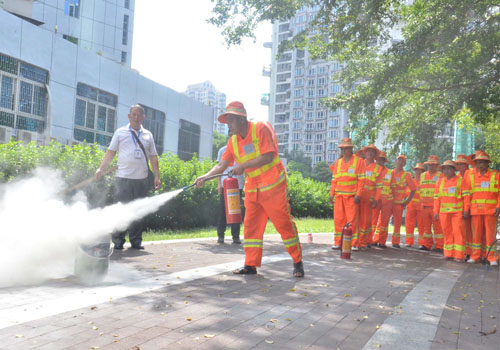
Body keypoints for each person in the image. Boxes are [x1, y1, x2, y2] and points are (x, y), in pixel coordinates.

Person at [194, 101, 304, 277]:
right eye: (227, 122)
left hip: (273, 185)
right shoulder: (233, 142)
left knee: (283, 224)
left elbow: (268, 156)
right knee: (251, 228)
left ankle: (297, 262)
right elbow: (222, 165)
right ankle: (250, 264)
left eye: (230, 121)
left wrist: (243, 166)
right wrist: (205, 177)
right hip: (253, 188)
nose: (228, 126)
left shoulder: (260, 129)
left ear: (241, 119)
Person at [95, 104, 161, 250]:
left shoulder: (148, 135)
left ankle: (136, 241)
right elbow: (111, 152)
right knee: (120, 210)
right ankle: (118, 241)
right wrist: (101, 168)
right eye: (134, 115)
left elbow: (153, 157)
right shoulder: (120, 132)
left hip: (141, 180)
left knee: (138, 212)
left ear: (143, 117)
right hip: (123, 179)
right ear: (129, 116)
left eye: (139, 115)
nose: (136, 118)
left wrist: (157, 176)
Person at [463, 152, 500, 265]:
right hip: (476, 210)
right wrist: (466, 209)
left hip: (491, 211)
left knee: (490, 235)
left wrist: (499, 206)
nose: (480, 164)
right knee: (476, 235)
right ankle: (475, 256)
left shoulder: (495, 175)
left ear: (487, 163)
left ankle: (492, 258)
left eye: (482, 162)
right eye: (478, 162)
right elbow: (467, 195)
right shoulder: (471, 177)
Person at [329, 138, 366, 250]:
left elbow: (361, 180)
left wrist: (358, 195)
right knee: (338, 220)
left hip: (351, 197)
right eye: (342, 149)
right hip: (339, 197)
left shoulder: (359, 161)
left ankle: (354, 243)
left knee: (352, 220)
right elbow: (334, 180)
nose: (344, 151)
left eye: (346, 149)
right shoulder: (338, 163)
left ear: (351, 149)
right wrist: (332, 194)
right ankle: (337, 242)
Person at [433, 160, 469, 262]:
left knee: (458, 233)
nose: (446, 170)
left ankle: (459, 256)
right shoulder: (440, 181)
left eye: (449, 168)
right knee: (447, 233)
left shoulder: (460, 180)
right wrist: (436, 212)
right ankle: (448, 253)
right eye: (445, 168)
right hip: (444, 212)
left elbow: (466, 196)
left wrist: (466, 210)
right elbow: (436, 198)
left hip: (457, 212)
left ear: (454, 170)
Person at [216, 140, 244, 244]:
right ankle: (220, 235)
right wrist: (219, 184)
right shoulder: (222, 150)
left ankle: (235, 236)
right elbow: (219, 168)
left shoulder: (242, 149)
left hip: (238, 185)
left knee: (236, 211)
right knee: (222, 210)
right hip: (225, 185)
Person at [358, 144, 383, 250]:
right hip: (358, 197)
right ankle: (358, 240)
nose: (370, 153)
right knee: (356, 220)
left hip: (369, 198)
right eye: (368, 151)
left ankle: (363, 242)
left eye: (372, 152)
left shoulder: (378, 168)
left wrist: (376, 200)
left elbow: (379, 186)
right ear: (365, 153)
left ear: (375, 155)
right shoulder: (359, 164)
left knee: (366, 221)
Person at [390, 155, 416, 248]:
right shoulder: (390, 173)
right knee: (382, 222)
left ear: (405, 164)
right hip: (389, 202)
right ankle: (379, 240)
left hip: (399, 204)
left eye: (402, 161)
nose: (400, 162)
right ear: (395, 161)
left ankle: (395, 242)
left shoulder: (407, 175)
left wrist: (407, 201)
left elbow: (413, 189)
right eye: (399, 160)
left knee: (397, 223)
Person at [420, 155, 444, 251]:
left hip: (435, 206)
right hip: (424, 206)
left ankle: (439, 246)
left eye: (433, 165)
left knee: (438, 228)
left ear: (437, 166)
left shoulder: (441, 176)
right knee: (426, 228)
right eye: (430, 165)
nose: (431, 166)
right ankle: (426, 244)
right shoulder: (422, 176)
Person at [372, 151, 394, 248]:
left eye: (381, 160)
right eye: (378, 159)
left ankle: (381, 241)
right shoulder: (373, 170)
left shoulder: (390, 172)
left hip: (387, 201)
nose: (379, 161)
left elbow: (393, 187)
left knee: (384, 222)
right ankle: (371, 239)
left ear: (384, 161)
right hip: (375, 200)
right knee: (372, 221)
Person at [455, 154, 473, 260]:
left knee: (470, 231)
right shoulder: (457, 177)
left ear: (466, 165)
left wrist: (467, 208)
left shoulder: (470, 174)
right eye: (458, 164)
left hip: (470, 207)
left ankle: (470, 252)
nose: (460, 166)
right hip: (459, 209)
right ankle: (465, 252)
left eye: (462, 164)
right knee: (463, 231)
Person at [405, 163, 425, 248]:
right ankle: (409, 242)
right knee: (409, 224)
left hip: (421, 206)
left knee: (422, 225)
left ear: (423, 171)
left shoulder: (424, 182)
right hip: (411, 205)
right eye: (417, 170)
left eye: (420, 170)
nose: (418, 172)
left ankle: (422, 243)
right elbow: (406, 193)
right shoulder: (411, 181)